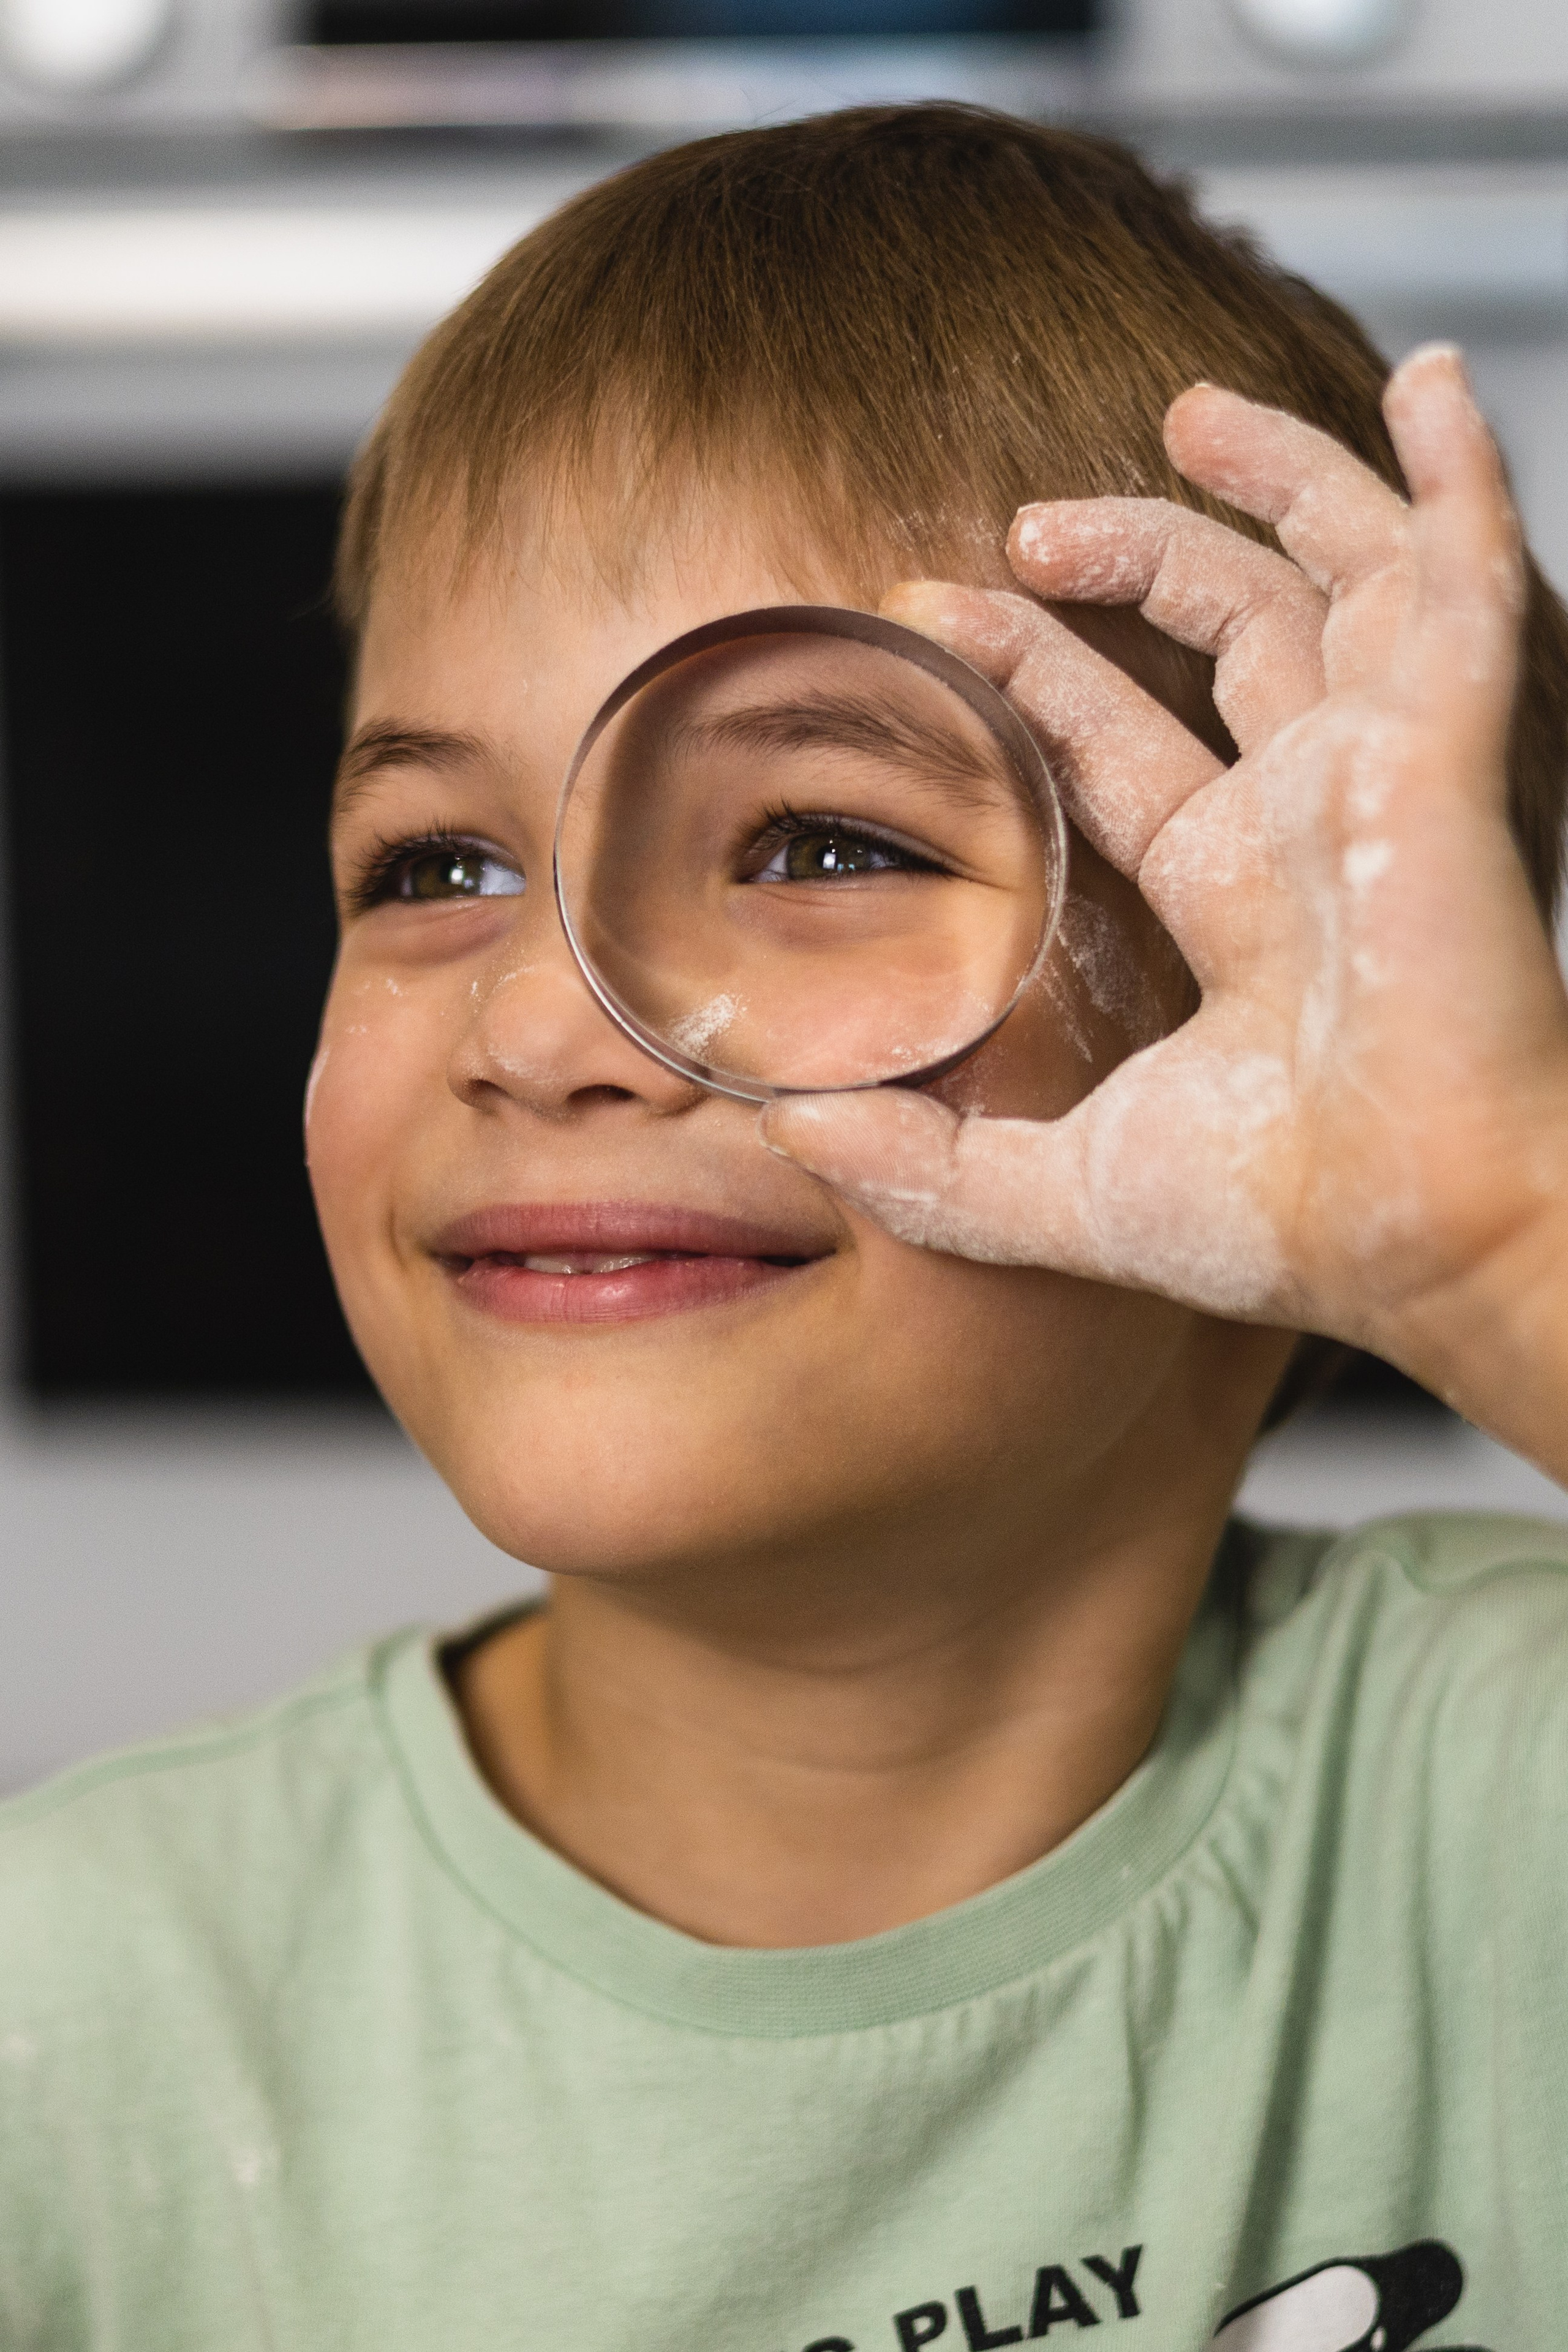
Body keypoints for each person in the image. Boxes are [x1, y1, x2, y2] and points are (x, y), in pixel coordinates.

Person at [2, 104, 1566, 2352]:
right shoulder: (74, 2029)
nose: (542, 1026)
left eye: (822, 845)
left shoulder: (1507, 1809)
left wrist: (1503, 1234)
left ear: (1284, 1042)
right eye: (437, 869)